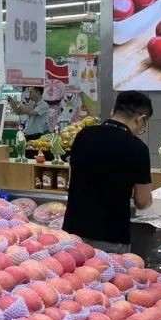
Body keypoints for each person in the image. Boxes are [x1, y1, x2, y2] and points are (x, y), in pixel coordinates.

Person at [62, 90, 155, 253]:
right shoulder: (137, 148)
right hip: (111, 237)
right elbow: (143, 201)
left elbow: (72, 179)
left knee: (75, 277)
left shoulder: (83, 136)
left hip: (73, 232)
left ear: (113, 112)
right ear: (141, 119)